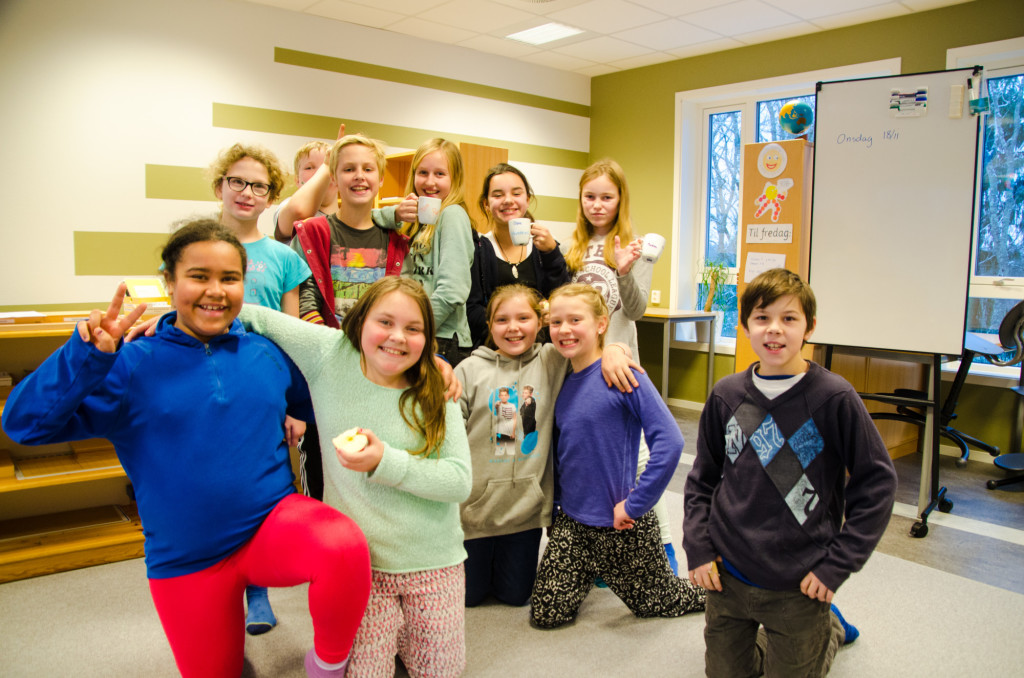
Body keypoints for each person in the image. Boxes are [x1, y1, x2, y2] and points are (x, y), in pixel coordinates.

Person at [1, 220, 371, 678]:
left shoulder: (265, 352)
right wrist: (85, 356)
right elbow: (25, 425)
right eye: (199, 276)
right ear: (169, 282)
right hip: (187, 557)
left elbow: (327, 393)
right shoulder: (130, 364)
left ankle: (328, 668)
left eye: (229, 278)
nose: (215, 291)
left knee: (343, 545)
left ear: (243, 284)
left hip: (270, 525)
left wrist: (423, 368)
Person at [237, 276, 472, 678]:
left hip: (435, 562)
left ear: (427, 338)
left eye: (413, 329)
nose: (397, 337)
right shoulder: (330, 353)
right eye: (385, 322)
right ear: (360, 321)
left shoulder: (437, 386)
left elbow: (458, 481)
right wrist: (171, 320)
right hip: (359, 566)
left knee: (441, 672)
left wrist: (386, 463)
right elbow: (255, 315)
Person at [683, 268, 898, 677]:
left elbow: (878, 483)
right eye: (762, 318)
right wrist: (699, 546)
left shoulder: (834, 397)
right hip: (729, 575)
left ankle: (829, 628)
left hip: (801, 581)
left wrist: (837, 565)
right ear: (745, 325)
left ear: (809, 327)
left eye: (789, 318)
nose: (774, 330)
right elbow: (703, 479)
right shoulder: (726, 394)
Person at [529, 283, 706, 629]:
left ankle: (738, 589)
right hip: (573, 525)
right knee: (546, 615)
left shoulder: (624, 375)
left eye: (575, 320)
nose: (564, 330)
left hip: (621, 523)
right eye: (556, 322)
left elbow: (669, 443)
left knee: (662, 602)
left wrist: (635, 505)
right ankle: (591, 570)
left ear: (600, 323)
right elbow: (565, 455)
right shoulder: (561, 376)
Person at [456, 284, 641, 608]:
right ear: (490, 326)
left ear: (539, 322)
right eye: (502, 320)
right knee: (469, 599)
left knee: (516, 596)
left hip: (525, 512)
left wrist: (616, 349)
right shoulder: (470, 370)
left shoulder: (552, 360)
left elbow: (589, 347)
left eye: (523, 317)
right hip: (475, 512)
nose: (513, 327)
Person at [209, 142, 313, 633]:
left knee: (266, 490)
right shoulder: (200, 246)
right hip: (209, 385)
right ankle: (216, 589)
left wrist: (295, 405)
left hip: (267, 390)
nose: (247, 193)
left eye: (259, 186)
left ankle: (258, 591)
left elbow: (292, 336)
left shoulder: (283, 258)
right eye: (238, 182)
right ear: (220, 187)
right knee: (215, 486)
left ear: (271, 194)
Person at [563, 158, 679, 574]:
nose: (597, 205)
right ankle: (602, 555)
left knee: (641, 458)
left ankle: (663, 549)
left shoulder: (637, 245)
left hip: (620, 365)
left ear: (620, 200)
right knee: (597, 459)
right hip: (581, 371)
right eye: (590, 196)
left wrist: (626, 271)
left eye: (606, 197)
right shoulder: (571, 247)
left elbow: (636, 309)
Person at [290, 134, 408, 327]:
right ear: (333, 178)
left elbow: (401, 306)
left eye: (368, 169)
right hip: (324, 347)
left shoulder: (397, 243)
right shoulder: (311, 235)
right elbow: (304, 302)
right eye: (348, 169)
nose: (359, 176)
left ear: (381, 179)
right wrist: (332, 346)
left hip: (378, 349)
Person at [378, 138, 475, 365]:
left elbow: (453, 291)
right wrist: (397, 213)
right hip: (417, 332)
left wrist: (414, 326)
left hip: (441, 338)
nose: (430, 182)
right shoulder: (415, 220)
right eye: (423, 172)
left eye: (440, 174)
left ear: (455, 178)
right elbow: (370, 219)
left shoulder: (452, 215)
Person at [466, 163, 570, 347]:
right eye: (498, 195)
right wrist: (512, 331)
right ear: (486, 204)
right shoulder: (478, 249)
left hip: (542, 353)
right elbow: (471, 310)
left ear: (527, 199)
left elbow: (564, 298)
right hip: (493, 354)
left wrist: (551, 253)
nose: (508, 200)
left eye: (516, 193)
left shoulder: (545, 246)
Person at [274, 139, 339, 243]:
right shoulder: (288, 205)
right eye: (309, 168)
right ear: (297, 180)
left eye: (330, 165)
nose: (320, 172)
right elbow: (297, 210)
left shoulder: (347, 218)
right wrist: (326, 167)